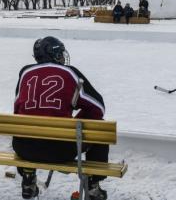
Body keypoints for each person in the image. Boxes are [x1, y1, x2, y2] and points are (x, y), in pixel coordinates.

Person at [13, 36, 108, 200]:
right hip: (59, 151)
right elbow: (98, 108)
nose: (63, 57)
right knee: (99, 128)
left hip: (24, 149)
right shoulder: (70, 72)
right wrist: (76, 122)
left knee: (27, 130)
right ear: (53, 54)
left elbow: (17, 109)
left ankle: (28, 178)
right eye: (60, 54)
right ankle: (93, 186)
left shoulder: (25, 73)